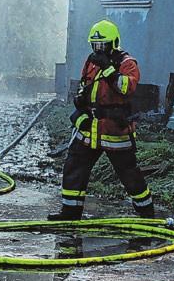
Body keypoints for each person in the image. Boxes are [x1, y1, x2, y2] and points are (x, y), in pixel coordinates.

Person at [49, 20, 154, 221]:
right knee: (74, 168)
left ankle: (147, 214)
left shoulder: (127, 63)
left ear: (113, 43)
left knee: (129, 174)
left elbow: (126, 88)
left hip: (114, 130)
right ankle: (69, 214)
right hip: (90, 127)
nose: (98, 49)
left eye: (102, 45)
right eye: (95, 45)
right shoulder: (92, 60)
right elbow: (84, 84)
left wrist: (108, 69)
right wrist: (80, 101)